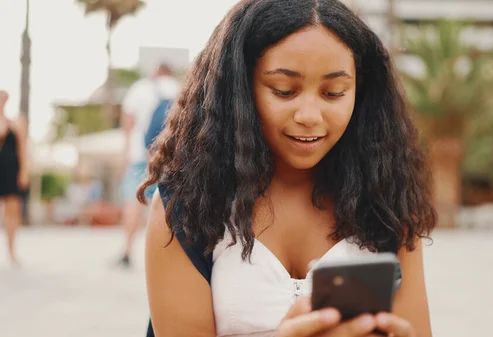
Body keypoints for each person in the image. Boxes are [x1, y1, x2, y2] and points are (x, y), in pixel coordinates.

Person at [140, 1, 437, 336]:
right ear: (240, 88)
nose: (309, 115)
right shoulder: (185, 208)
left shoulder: (387, 200)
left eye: (333, 93)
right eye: (284, 91)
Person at [117, 63, 180, 267]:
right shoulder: (179, 87)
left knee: (133, 202)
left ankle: (127, 251)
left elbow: (128, 122)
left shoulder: (140, 88)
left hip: (139, 155)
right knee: (168, 204)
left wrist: (125, 153)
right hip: (169, 157)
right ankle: (169, 254)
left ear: (154, 71)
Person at [0, 90, 29, 266]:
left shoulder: (17, 122)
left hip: (11, 170)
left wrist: (24, 172)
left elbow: (23, 150)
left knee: (12, 211)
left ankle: (11, 251)